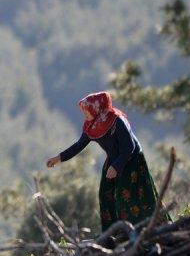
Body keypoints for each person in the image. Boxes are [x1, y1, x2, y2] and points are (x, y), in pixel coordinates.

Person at [46, 91, 167, 226]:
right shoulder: (91, 126)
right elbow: (79, 145)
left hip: (132, 160)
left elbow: (129, 147)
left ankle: (142, 229)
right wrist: (59, 158)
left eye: (87, 110)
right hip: (114, 159)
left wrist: (116, 166)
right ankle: (114, 232)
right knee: (106, 194)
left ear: (97, 108)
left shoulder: (117, 120)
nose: (84, 113)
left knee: (128, 197)